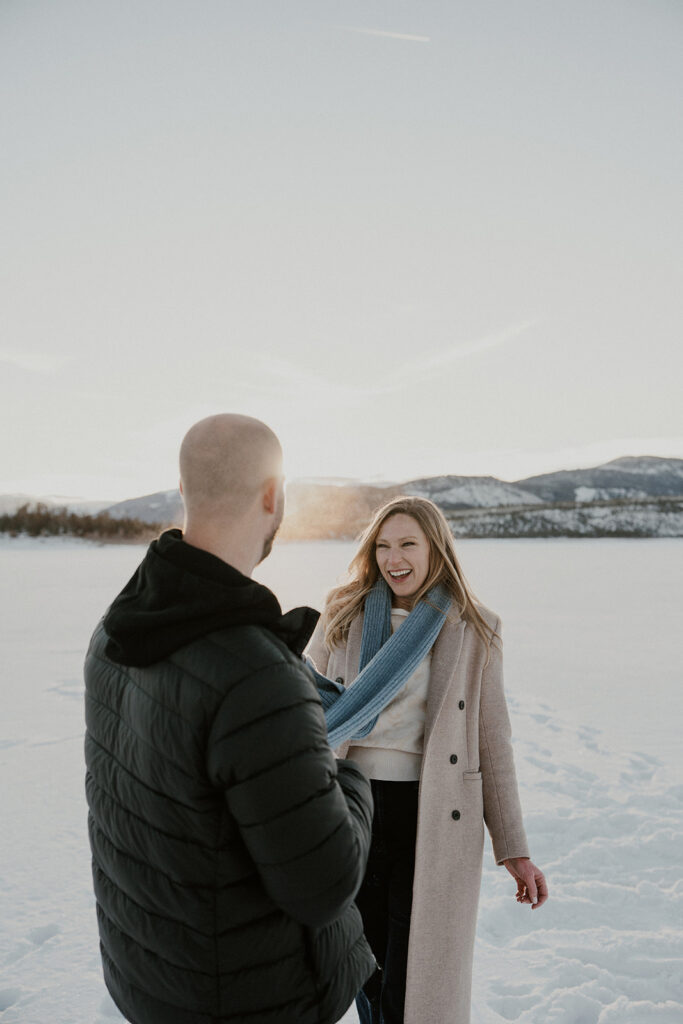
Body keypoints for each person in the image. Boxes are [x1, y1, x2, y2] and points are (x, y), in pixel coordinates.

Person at [83, 413, 377, 1024]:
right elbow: (325, 886)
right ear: (273, 496)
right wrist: (347, 775)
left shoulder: (114, 632)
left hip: (153, 985)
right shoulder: (258, 676)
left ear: (185, 491)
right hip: (252, 1001)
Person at [305, 495, 548, 1024]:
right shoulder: (342, 613)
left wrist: (514, 847)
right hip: (350, 805)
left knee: (414, 972)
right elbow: (304, 708)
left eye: (408, 545)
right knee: (360, 960)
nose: (395, 559)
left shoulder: (474, 626)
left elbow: (491, 738)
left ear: (436, 547)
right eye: (384, 546)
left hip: (433, 811)